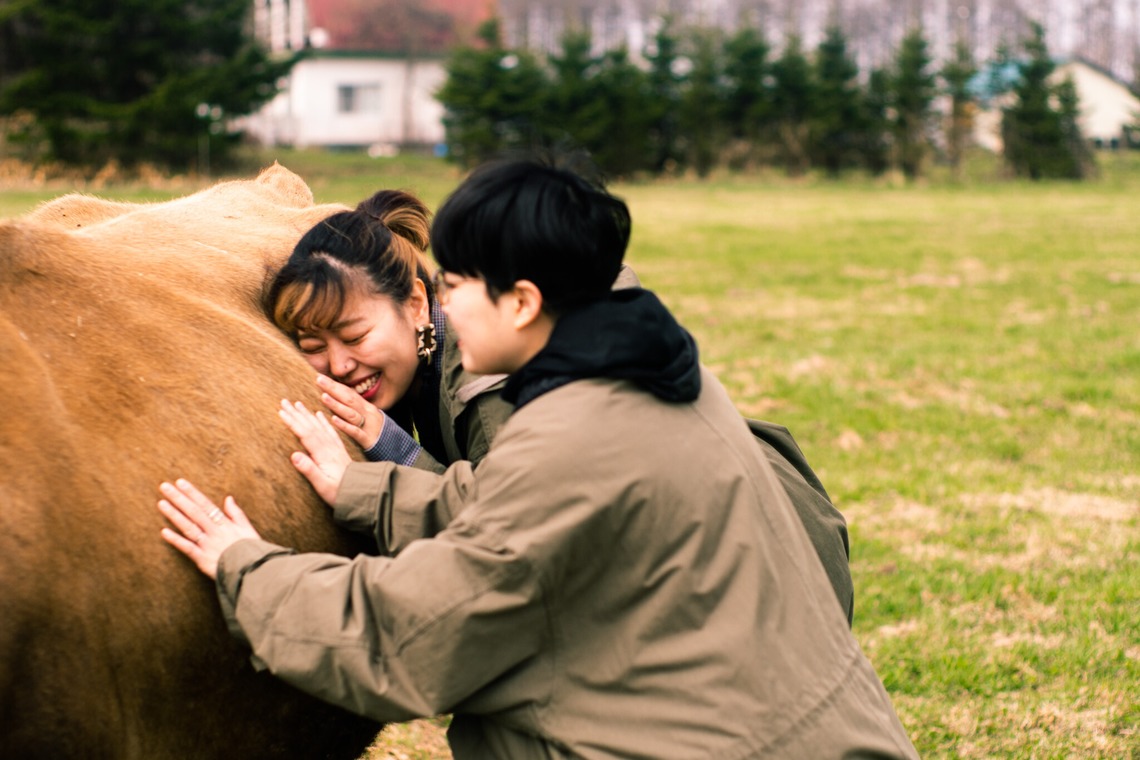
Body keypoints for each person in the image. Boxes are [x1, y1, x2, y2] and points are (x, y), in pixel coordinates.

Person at [158, 156, 916, 758]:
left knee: (510, 713)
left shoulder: (553, 431)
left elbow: (412, 635)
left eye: (453, 285)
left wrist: (244, 563)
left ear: (521, 301)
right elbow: (509, 508)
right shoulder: (653, 371)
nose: (443, 304)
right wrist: (369, 492)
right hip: (827, 731)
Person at [272, 186, 854, 620]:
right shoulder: (464, 341)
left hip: (751, 571)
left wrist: (390, 451)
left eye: (352, 336)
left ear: (418, 305)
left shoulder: (492, 379)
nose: (339, 365)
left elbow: (511, 523)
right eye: (312, 347)